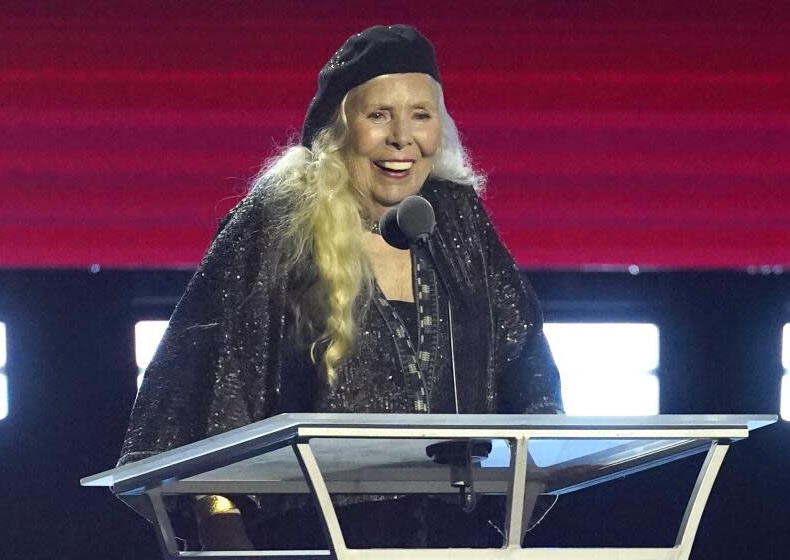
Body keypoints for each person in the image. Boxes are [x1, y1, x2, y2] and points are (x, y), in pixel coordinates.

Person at [118, 24, 563, 550]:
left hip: (450, 537)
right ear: (339, 126)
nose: (403, 137)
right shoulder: (275, 224)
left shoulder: (458, 221)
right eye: (379, 115)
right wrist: (222, 529)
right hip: (309, 539)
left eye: (421, 115)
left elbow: (526, 368)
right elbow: (203, 395)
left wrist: (530, 476)